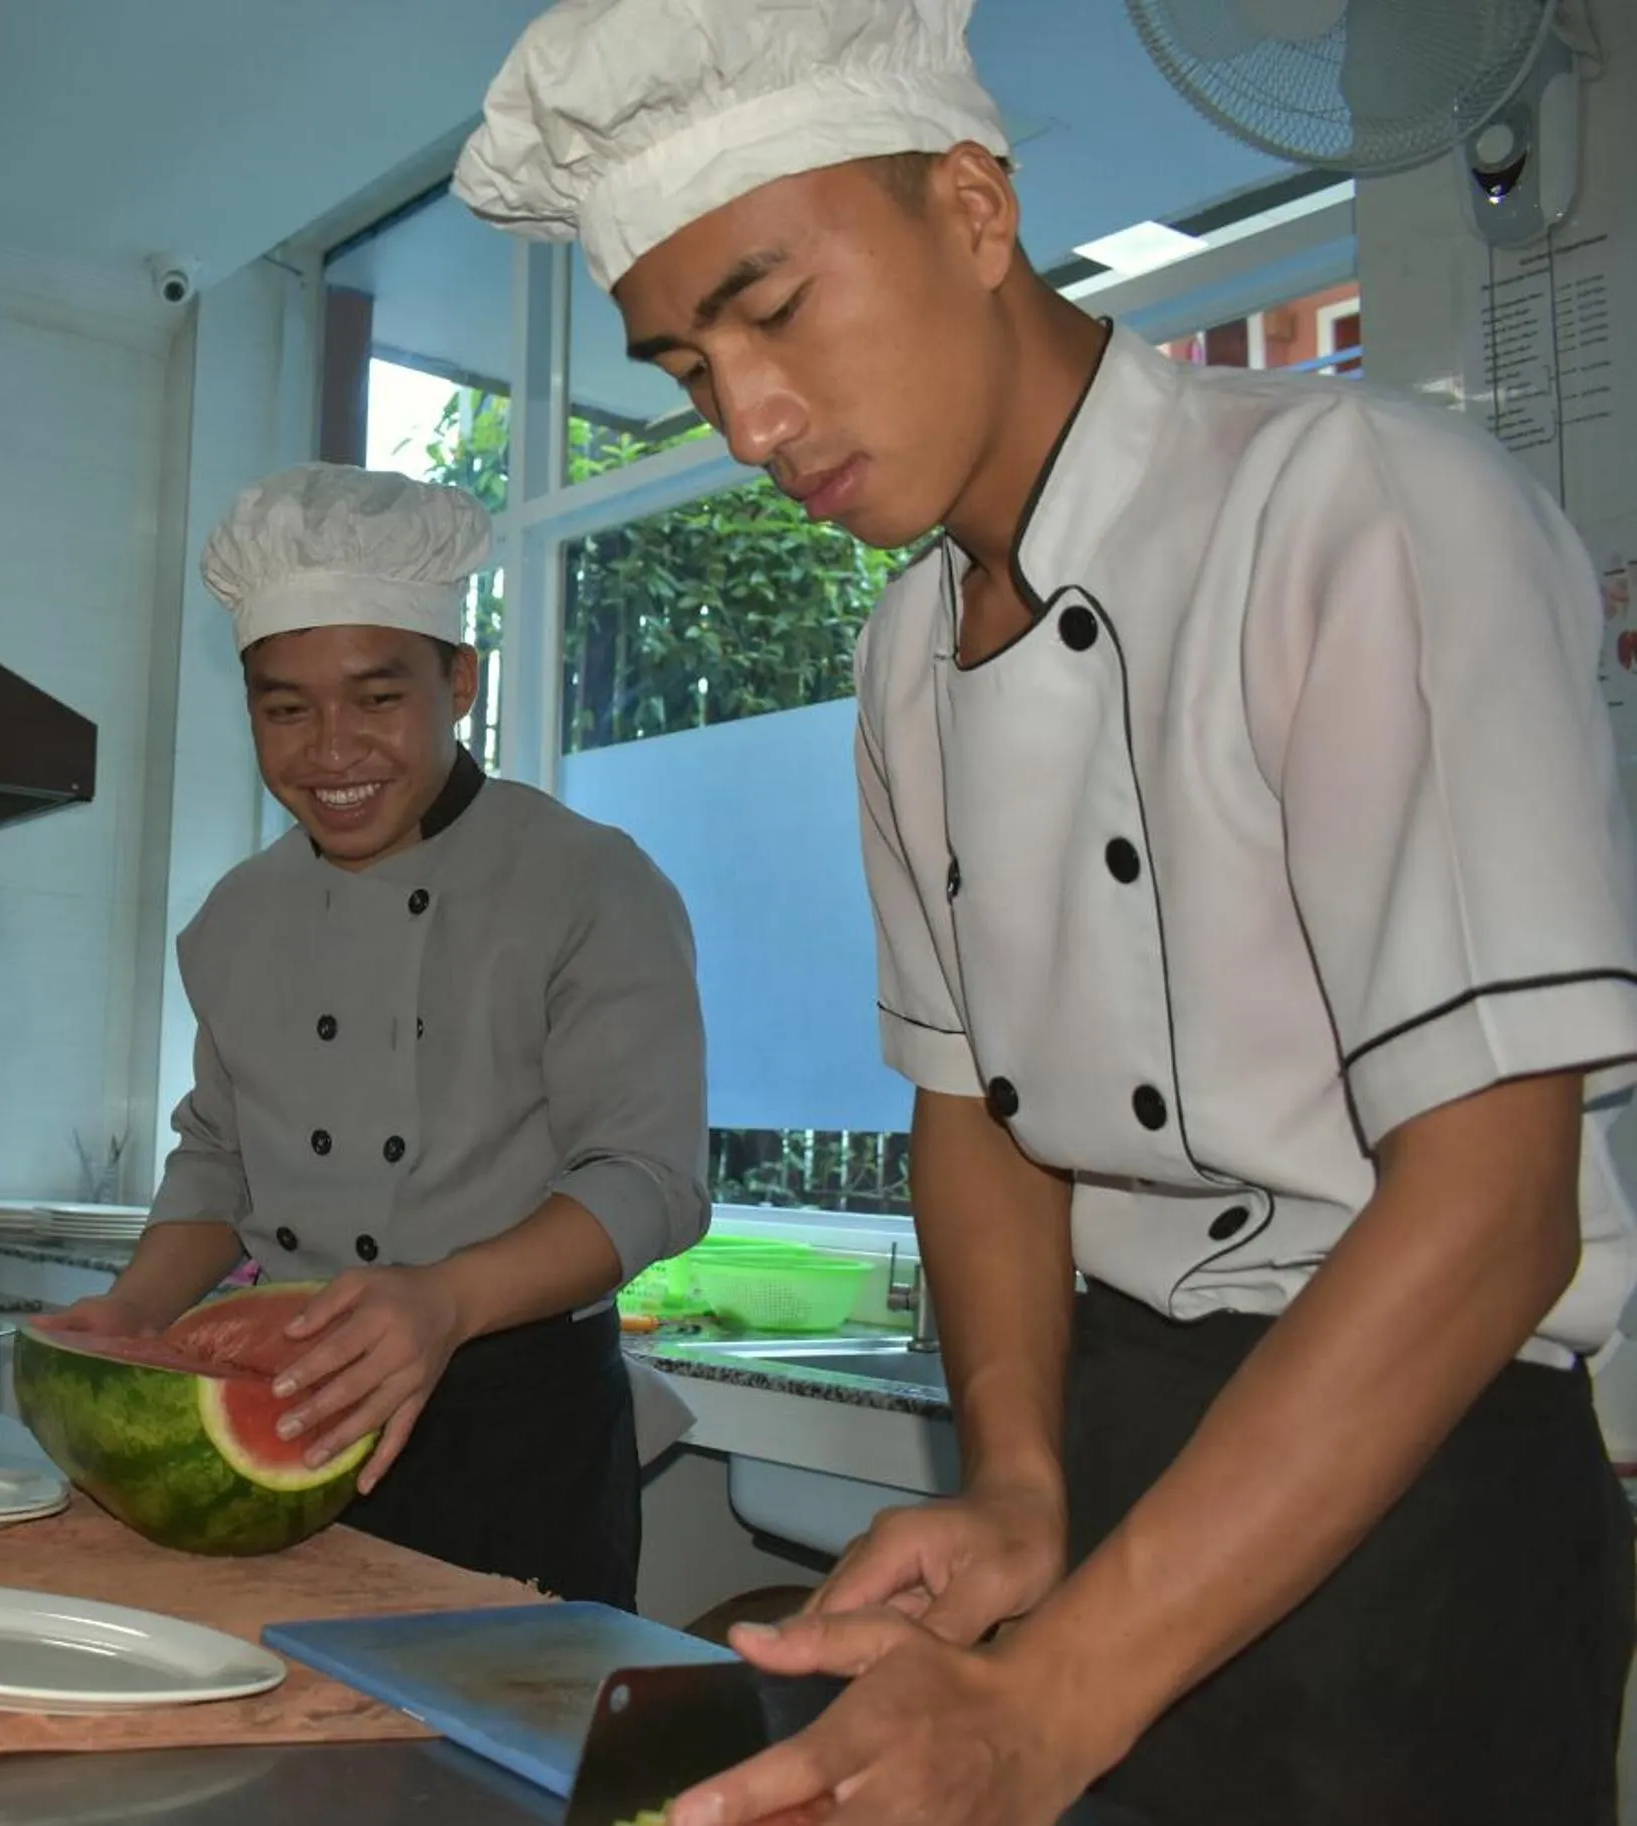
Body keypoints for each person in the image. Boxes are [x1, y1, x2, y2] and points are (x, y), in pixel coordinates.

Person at [455, 1, 1637, 1820]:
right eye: (688, 366)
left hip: (1409, 1476)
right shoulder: (904, 658)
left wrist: (1046, 1702)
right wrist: (1013, 1473)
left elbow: (1488, 1215)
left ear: (970, 207)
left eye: (769, 309)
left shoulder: (1355, 509)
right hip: (1109, 1447)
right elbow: (972, 1112)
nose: (748, 421)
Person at [41, 462, 708, 1608]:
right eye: (285, 706)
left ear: (459, 680)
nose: (330, 748)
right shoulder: (234, 917)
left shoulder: (590, 880)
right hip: (284, 1404)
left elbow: (648, 1179)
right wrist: (138, 1308)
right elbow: (219, 1158)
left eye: (378, 697)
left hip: (517, 1428)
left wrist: (444, 1299)